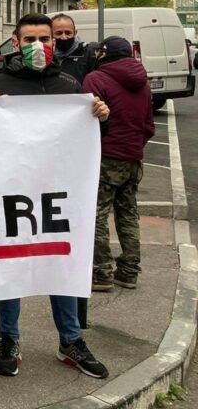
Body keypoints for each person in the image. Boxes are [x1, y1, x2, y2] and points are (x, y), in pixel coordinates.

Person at [0, 12, 111, 379]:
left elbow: (94, 133)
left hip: (57, 194)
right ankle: (8, 339)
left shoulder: (70, 84)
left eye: (45, 39)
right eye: (31, 40)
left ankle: (70, 340)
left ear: (54, 42)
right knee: (11, 263)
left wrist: (102, 114)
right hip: (12, 193)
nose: (39, 46)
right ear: (16, 43)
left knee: (60, 261)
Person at [84, 36, 154, 292]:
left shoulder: (96, 79)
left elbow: (87, 121)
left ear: (103, 54)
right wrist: (135, 145)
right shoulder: (142, 82)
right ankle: (129, 270)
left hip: (105, 155)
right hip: (133, 156)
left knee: (96, 214)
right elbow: (148, 124)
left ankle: (101, 272)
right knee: (128, 213)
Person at [53, 15, 96, 84]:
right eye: (59, 33)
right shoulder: (45, 56)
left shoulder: (87, 54)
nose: (64, 37)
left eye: (68, 33)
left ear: (75, 33)